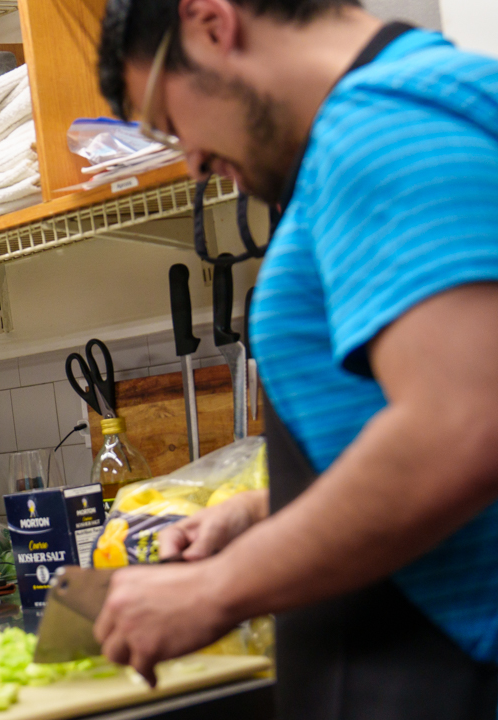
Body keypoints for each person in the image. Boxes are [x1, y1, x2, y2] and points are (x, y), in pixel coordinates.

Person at [92, 0, 498, 716]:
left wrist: (217, 587)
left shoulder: (380, 126)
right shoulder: (413, 104)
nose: (192, 160)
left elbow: (462, 425)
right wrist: (266, 513)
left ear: (211, 23)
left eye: (170, 121)